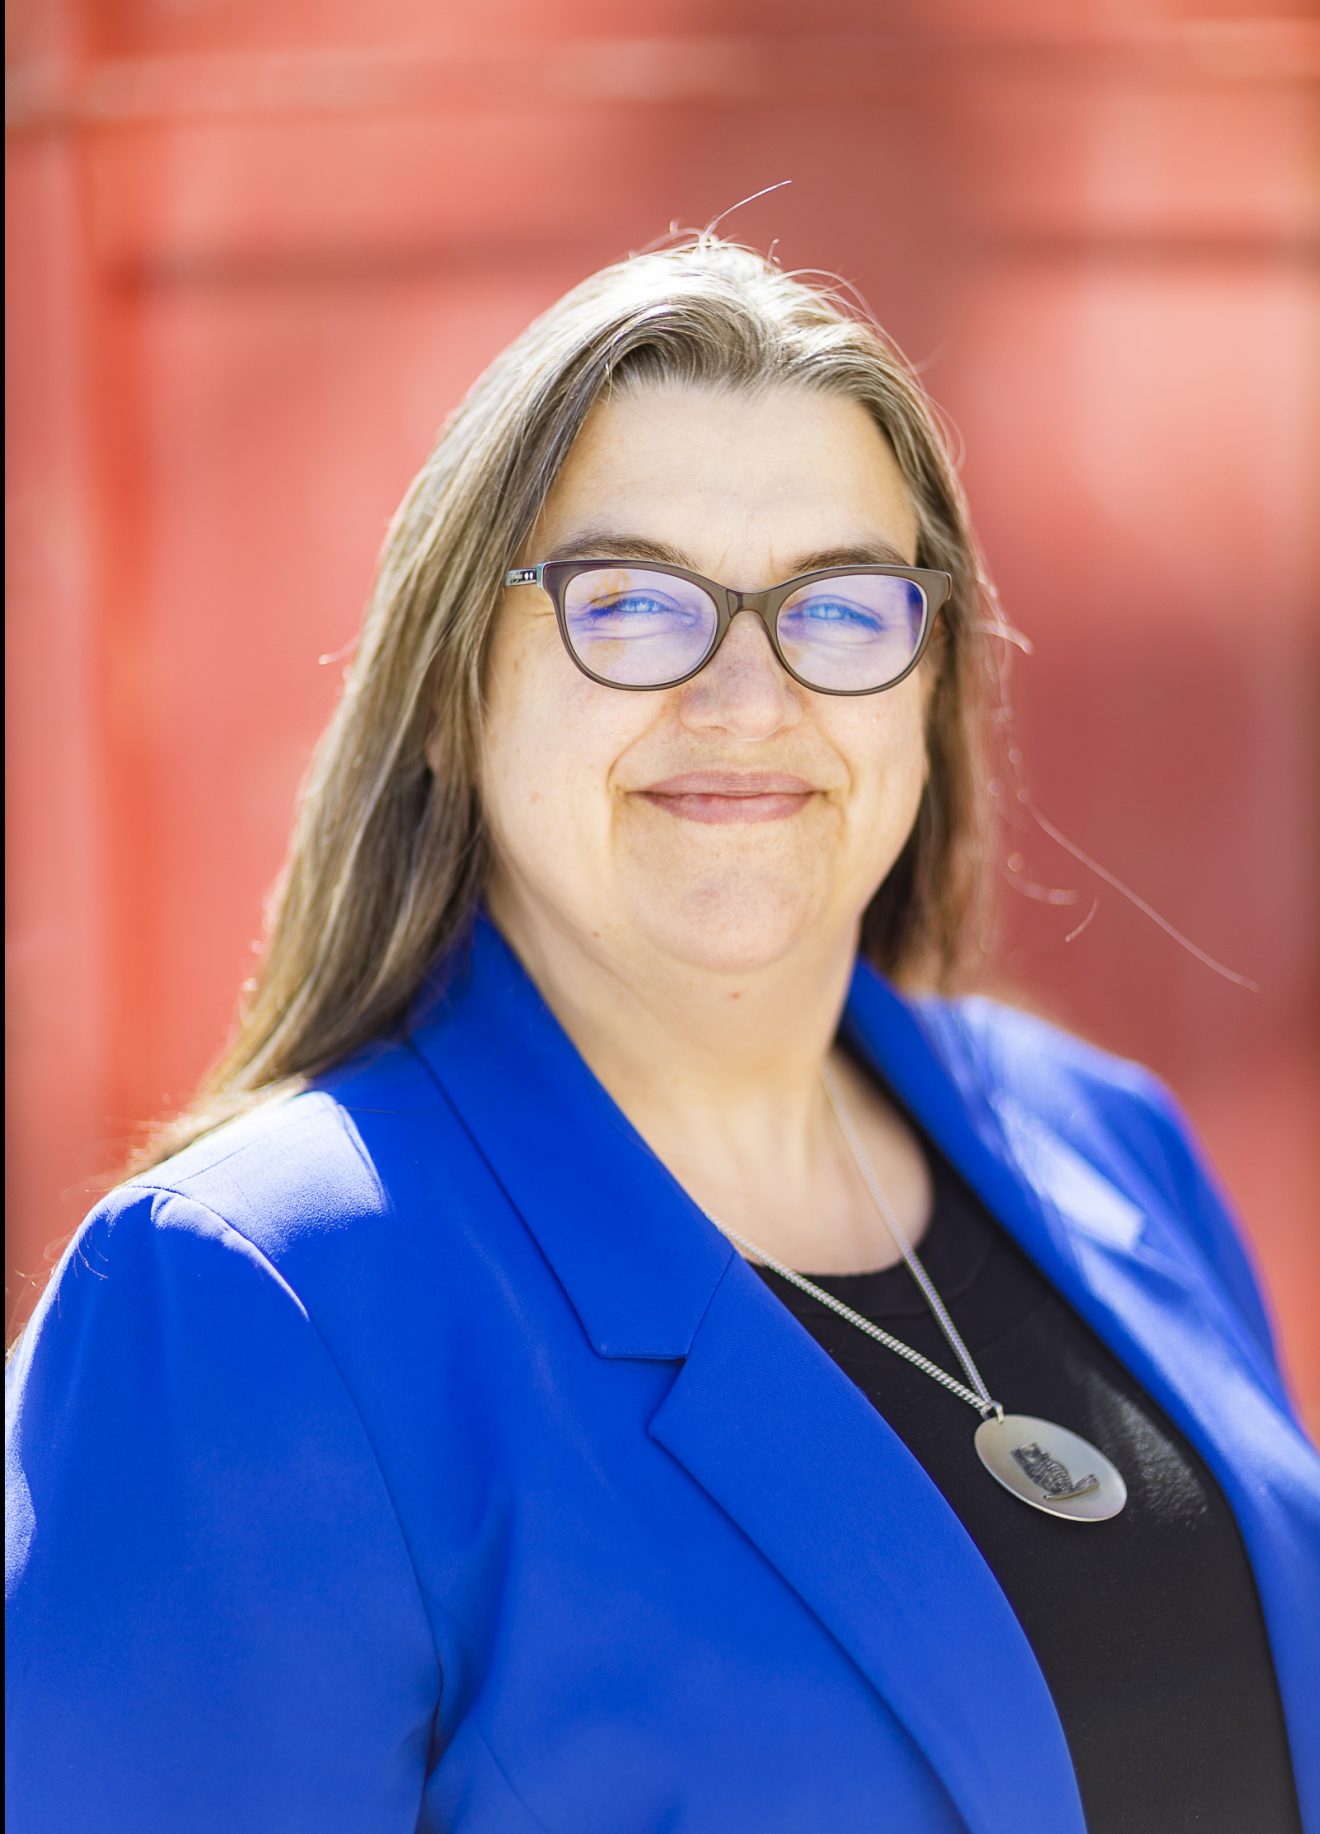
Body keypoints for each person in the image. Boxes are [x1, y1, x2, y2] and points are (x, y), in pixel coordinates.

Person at [6, 234, 1318, 1834]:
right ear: (451, 691)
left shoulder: (1113, 1146)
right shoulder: (251, 1301)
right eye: (630, 604)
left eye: (839, 608)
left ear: (928, 682)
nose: (749, 698)